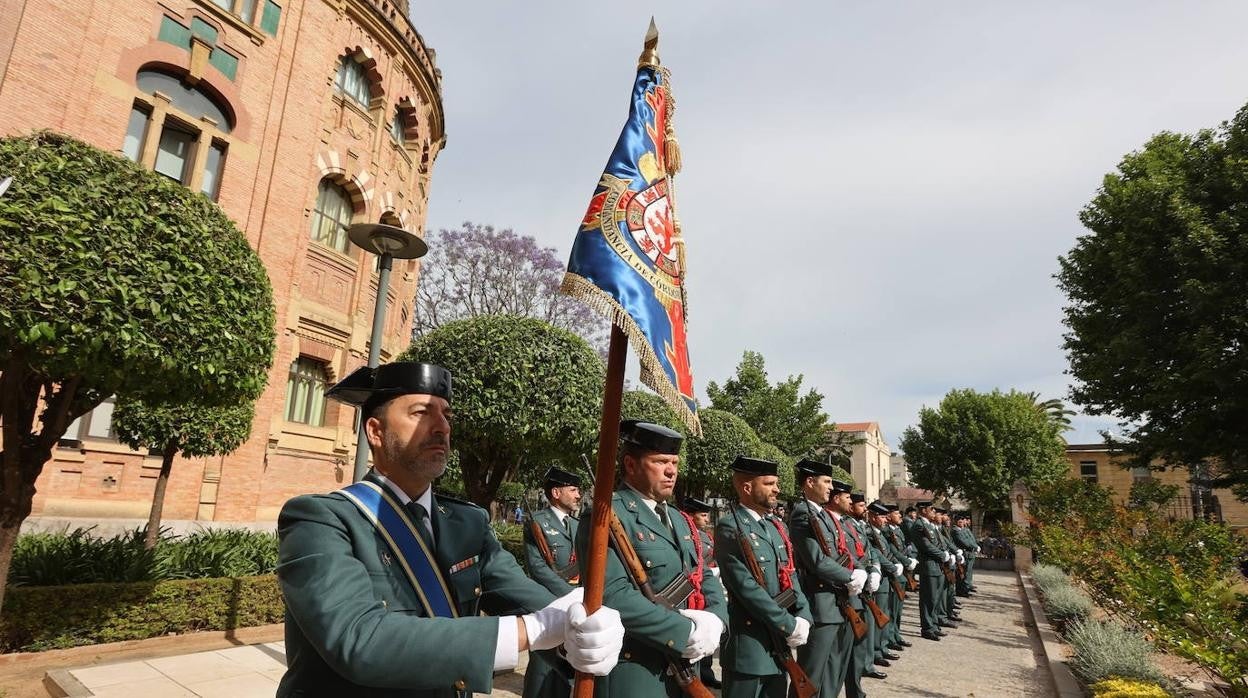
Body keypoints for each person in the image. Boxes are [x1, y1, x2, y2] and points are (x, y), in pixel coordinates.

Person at [275, 362, 624, 698]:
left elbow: (524, 596)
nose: (441, 426)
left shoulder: (467, 522)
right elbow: (358, 639)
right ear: (375, 432)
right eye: (420, 413)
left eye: (446, 415)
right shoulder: (320, 519)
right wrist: (531, 630)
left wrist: (578, 628)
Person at [575, 421, 729, 697]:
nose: (671, 471)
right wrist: (685, 632)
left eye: (674, 462)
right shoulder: (606, 515)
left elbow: (702, 574)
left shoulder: (681, 521)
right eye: (660, 462)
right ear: (631, 465)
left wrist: (715, 620)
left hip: (686, 666)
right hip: (638, 670)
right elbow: (611, 594)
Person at [715, 456, 812, 698]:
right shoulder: (730, 527)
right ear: (747, 487)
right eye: (769, 483)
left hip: (778, 647)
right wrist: (788, 625)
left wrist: (803, 615)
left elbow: (791, 575)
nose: (777, 489)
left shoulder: (775, 526)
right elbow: (747, 589)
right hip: (750, 648)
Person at [788, 460, 864, 698]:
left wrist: (859, 570)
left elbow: (841, 552)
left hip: (836, 601)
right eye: (827, 482)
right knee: (811, 675)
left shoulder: (824, 516)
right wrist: (849, 575)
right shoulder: (803, 513)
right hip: (820, 603)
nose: (831, 488)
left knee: (832, 670)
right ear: (810, 482)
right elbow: (817, 560)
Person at [522, 466, 585, 697]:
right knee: (543, 662)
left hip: (576, 603)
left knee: (567, 661)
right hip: (546, 601)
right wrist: (569, 596)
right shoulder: (537, 522)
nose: (578, 495)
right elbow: (537, 568)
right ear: (556, 493)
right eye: (574, 490)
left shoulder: (578, 525)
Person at [681, 496, 723, 689]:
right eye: (703, 515)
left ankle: (706, 673)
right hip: (690, 591)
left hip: (707, 589)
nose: (707, 519)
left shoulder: (706, 536)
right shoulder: (684, 533)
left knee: (708, 633)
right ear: (691, 515)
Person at [905, 501, 949, 641]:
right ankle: (927, 628)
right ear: (923, 510)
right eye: (932, 510)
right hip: (928, 566)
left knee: (935, 598)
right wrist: (942, 555)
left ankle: (934, 625)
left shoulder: (929, 525)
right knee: (928, 599)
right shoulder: (919, 525)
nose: (934, 512)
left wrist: (946, 553)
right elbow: (925, 546)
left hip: (937, 565)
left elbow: (939, 543)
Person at [952, 514, 979, 596]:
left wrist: (975, 546)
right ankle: (962, 590)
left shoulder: (963, 530)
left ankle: (965, 588)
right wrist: (974, 546)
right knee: (963, 573)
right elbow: (964, 541)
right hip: (964, 553)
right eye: (959, 521)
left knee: (967, 571)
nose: (961, 523)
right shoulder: (956, 530)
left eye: (962, 521)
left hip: (969, 552)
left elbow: (971, 539)